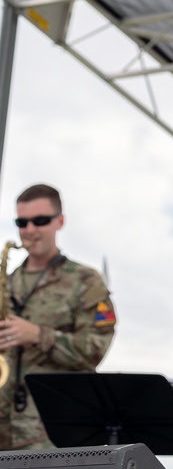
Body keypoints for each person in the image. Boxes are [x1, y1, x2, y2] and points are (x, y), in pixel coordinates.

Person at [0, 183, 117, 450]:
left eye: (40, 221)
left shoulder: (86, 281)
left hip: (50, 433)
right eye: (22, 222)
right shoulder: (7, 281)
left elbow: (95, 350)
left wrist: (38, 336)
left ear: (60, 221)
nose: (30, 230)